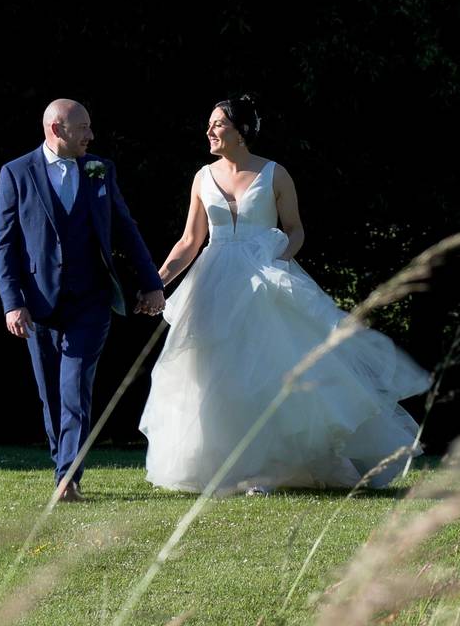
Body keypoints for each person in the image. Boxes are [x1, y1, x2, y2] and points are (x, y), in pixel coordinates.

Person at [138, 94, 431, 496]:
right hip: (214, 284)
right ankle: (224, 465)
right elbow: (191, 240)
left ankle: (267, 468)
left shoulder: (275, 174)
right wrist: (158, 281)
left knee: (268, 372)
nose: (209, 131)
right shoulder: (202, 177)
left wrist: (278, 257)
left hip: (266, 279)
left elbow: (295, 229)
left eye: (218, 124)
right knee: (215, 375)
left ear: (241, 131)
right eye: (209, 124)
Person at [0, 99, 165, 502]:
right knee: (50, 394)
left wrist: (151, 283)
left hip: (91, 299)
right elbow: (4, 245)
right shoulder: (16, 173)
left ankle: (68, 477)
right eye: (83, 127)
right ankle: (62, 466)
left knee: (75, 387)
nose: (91, 135)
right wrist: (11, 302)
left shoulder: (99, 170)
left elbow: (125, 228)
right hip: (38, 304)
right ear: (57, 129)